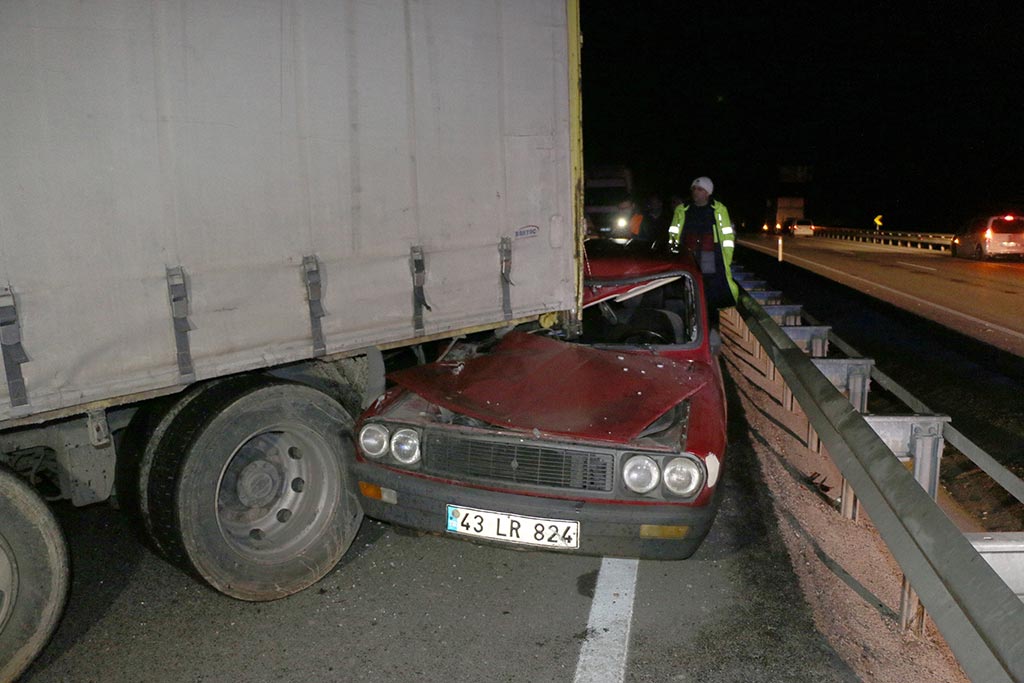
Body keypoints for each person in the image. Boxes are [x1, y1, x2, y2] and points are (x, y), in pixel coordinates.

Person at [667, 177, 739, 331]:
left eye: (700, 189)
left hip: (709, 256)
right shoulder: (683, 209)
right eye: (694, 188)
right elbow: (674, 234)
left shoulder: (718, 209)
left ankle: (710, 328)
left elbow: (727, 236)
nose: (696, 192)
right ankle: (690, 328)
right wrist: (674, 255)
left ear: (707, 193)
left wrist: (726, 258)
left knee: (709, 294)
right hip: (688, 256)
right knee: (688, 292)